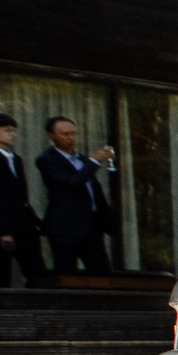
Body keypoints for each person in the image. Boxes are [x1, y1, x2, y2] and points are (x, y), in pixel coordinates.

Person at [36, 115, 118, 277]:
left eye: (73, 133)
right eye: (65, 134)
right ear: (51, 136)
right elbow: (71, 183)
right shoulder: (47, 160)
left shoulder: (81, 159)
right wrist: (94, 161)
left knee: (102, 273)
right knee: (67, 274)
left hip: (91, 225)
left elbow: (95, 191)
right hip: (65, 227)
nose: (71, 138)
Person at [0, 112, 52, 286]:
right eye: (7, 130)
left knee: (37, 270)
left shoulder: (15, 159)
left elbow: (20, 196)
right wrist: (4, 230)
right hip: (1, 226)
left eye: (13, 130)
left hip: (24, 224)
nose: (13, 134)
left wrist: (36, 222)